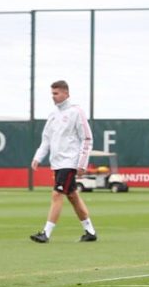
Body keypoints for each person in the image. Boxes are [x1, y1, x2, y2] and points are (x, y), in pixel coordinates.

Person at [29, 80, 98, 243]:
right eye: (52, 93)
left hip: (69, 162)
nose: (53, 96)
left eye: (56, 93)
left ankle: (46, 233)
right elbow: (46, 139)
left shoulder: (76, 111)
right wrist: (38, 157)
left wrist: (82, 163)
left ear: (66, 93)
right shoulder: (53, 115)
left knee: (57, 194)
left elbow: (87, 138)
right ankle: (90, 231)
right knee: (72, 196)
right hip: (57, 163)